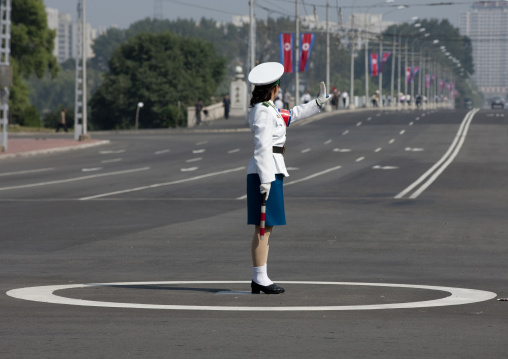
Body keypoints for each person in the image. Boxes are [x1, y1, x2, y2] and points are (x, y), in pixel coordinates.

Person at [246, 62, 331, 294]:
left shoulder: (268, 108)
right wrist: (265, 180)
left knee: (267, 226)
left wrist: (317, 103)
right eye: (278, 86)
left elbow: (292, 115)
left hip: (271, 169)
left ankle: (260, 277)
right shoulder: (263, 111)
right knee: (263, 227)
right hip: (266, 171)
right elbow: (262, 147)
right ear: (273, 88)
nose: (279, 90)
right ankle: (260, 278)